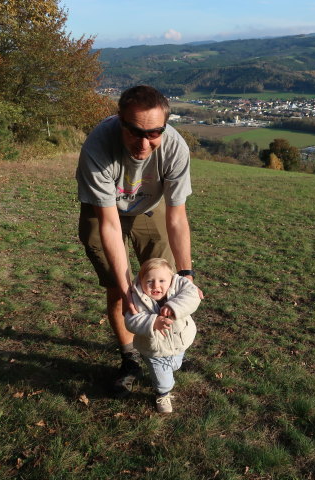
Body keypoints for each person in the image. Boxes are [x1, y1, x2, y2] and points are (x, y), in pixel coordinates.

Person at [76, 85, 199, 397]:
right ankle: (130, 357)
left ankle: (163, 348)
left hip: (151, 209)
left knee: (162, 282)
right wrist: (127, 286)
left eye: (154, 133)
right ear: (120, 121)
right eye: (134, 132)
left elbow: (177, 217)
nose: (144, 144)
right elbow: (109, 224)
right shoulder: (98, 146)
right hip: (102, 210)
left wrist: (185, 274)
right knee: (121, 290)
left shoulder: (175, 148)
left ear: (165, 127)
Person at [124, 258, 201, 413]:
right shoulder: (136, 296)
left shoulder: (179, 284)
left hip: (179, 341)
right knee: (163, 379)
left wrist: (174, 306)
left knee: (176, 364)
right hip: (154, 349)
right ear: (141, 280)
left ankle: (172, 367)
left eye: (161, 281)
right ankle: (163, 393)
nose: (156, 286)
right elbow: (130, 321)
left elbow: (193, 296)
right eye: (150, 281)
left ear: (171, 280)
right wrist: (152, 322)